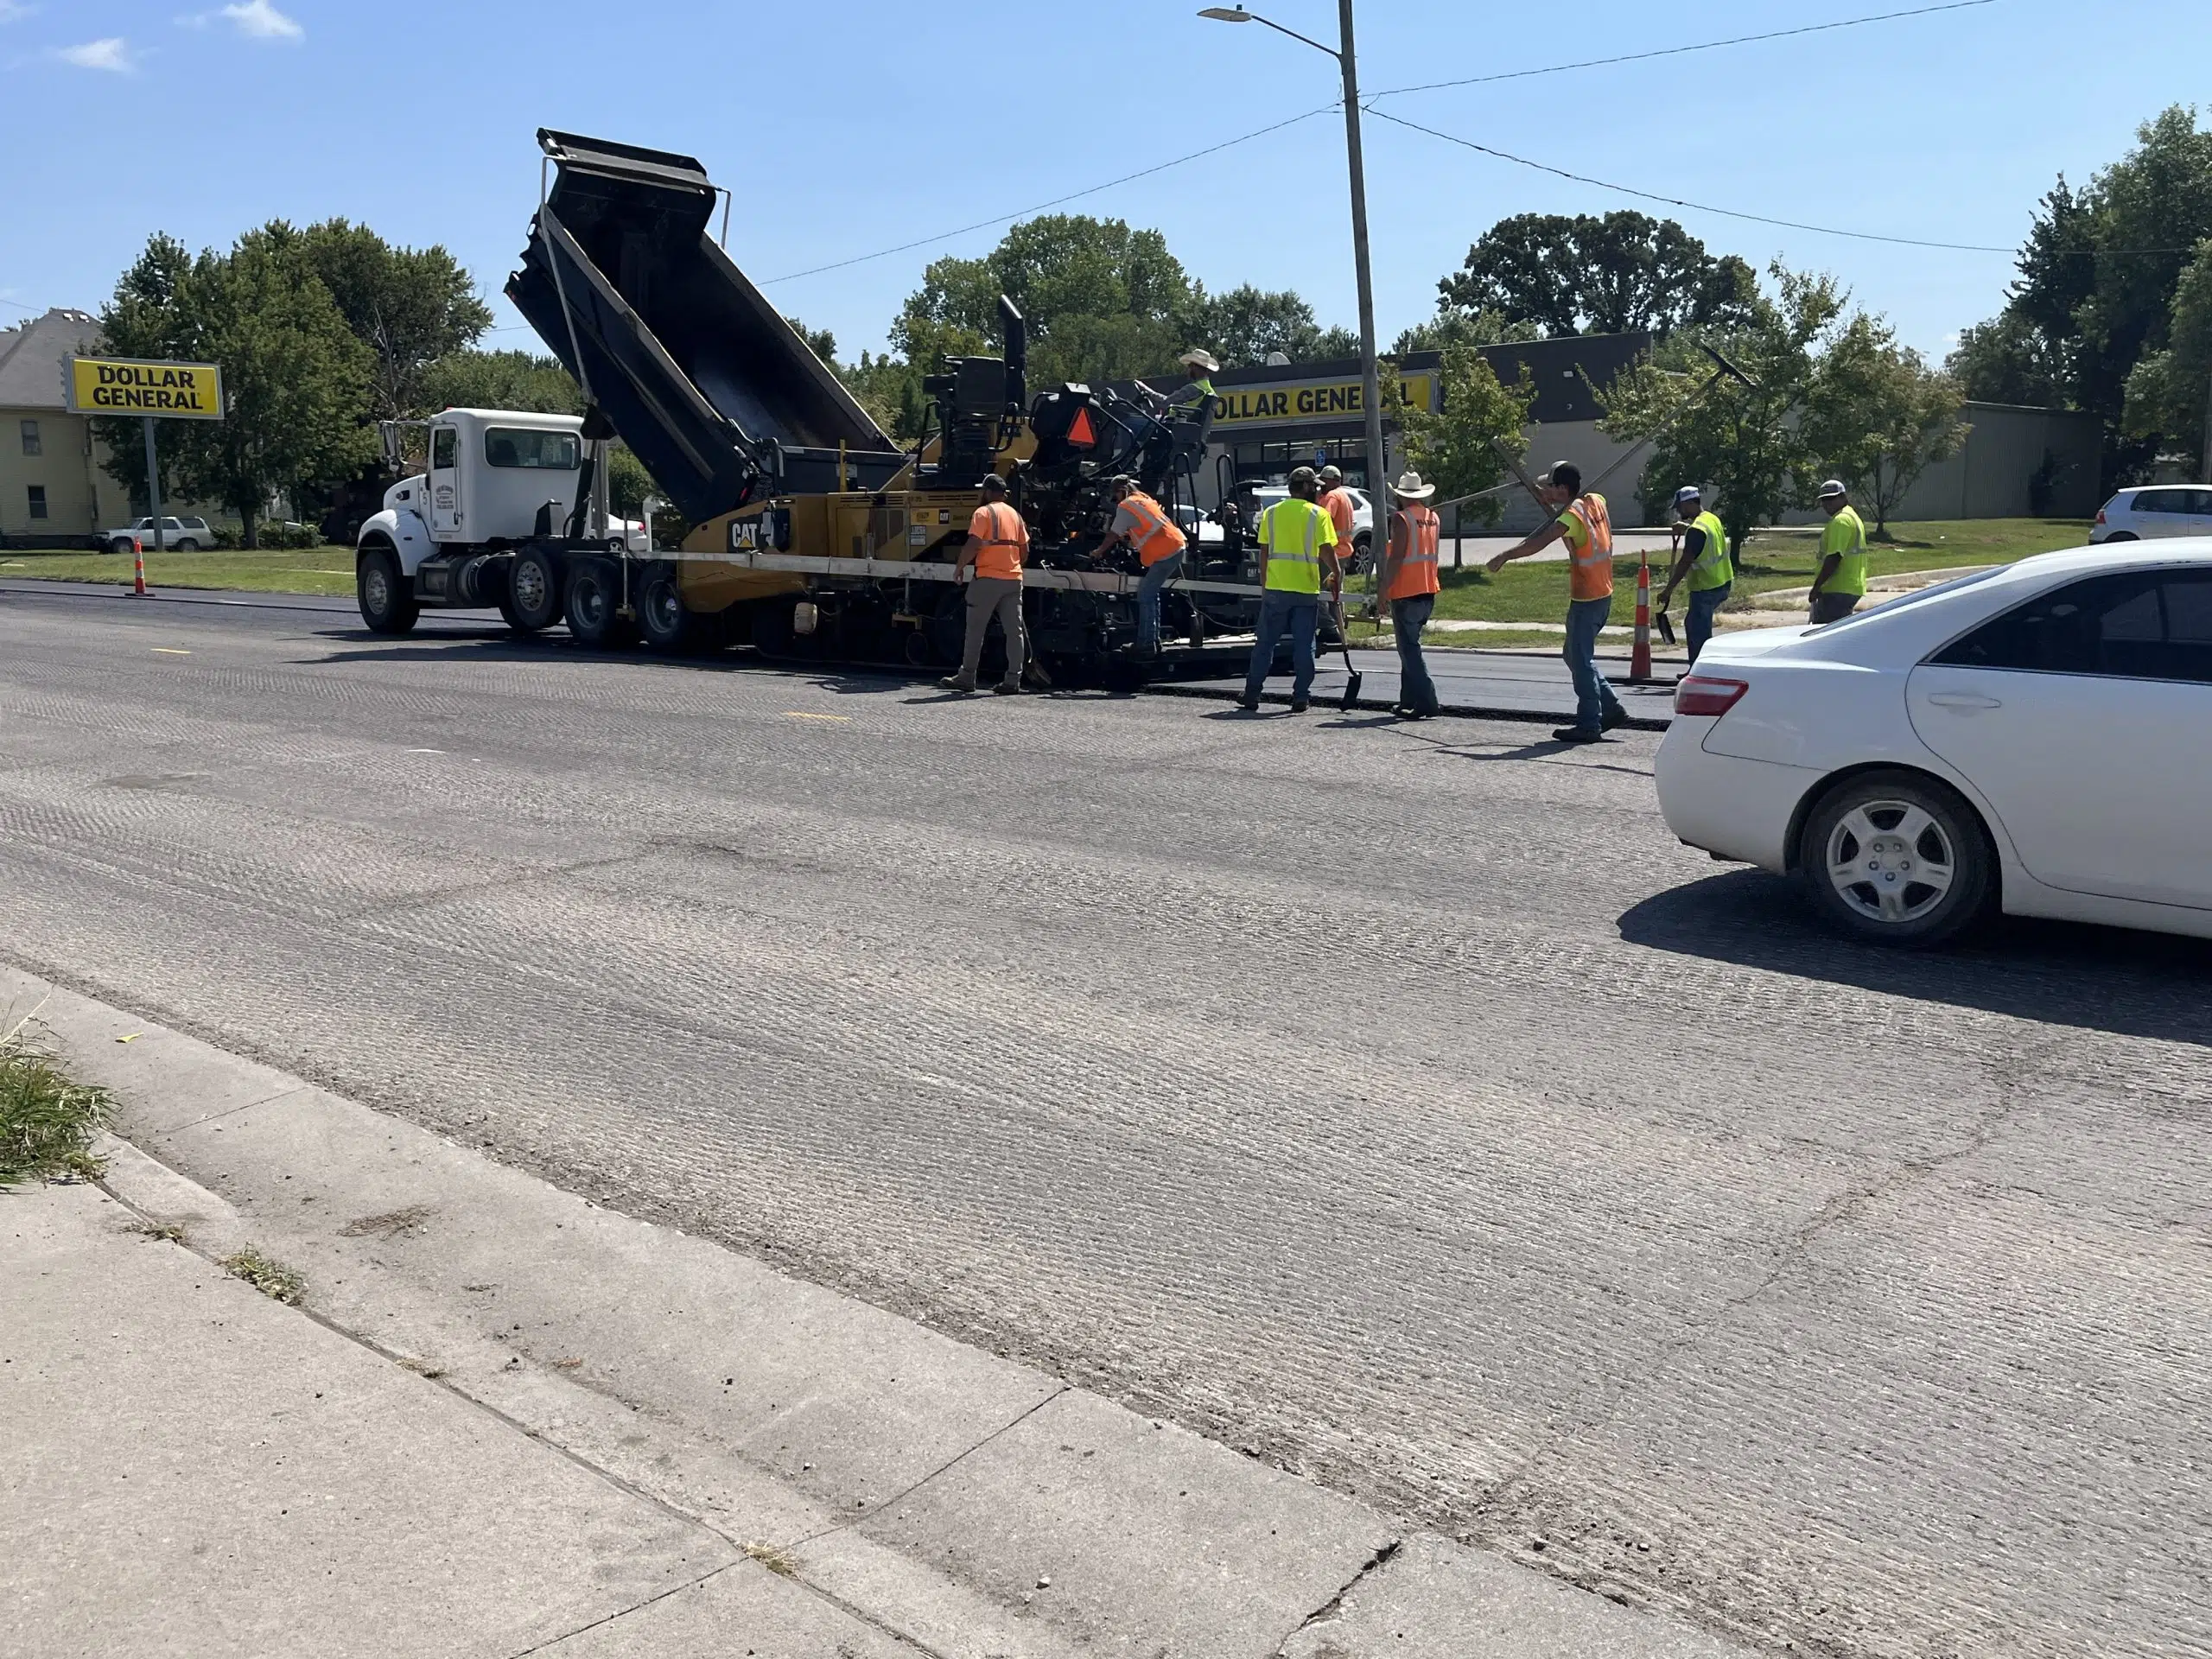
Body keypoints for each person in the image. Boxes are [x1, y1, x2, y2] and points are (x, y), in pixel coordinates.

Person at [1487, 461, 1628, 744]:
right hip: (1603, 593)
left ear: (1563, 489)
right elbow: (1568, 506)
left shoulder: (1572, 517)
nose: (1548, 490)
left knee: (1581, 660)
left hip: (1587, 598)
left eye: (1552, 486)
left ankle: (1590, 723)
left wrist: (1504, 556)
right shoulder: (1596, 501)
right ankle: (1611, 708)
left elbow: (1538, 542)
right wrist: (1545, 494)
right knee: (1574, 656)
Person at [1239, 465, 1340, 714]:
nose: (1318, 491)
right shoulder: (1318, 515)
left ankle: (1252, 694)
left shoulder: (1271, 514)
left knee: (1265, 644)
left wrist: (1265, 584)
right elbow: (1326, 550)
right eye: (1315, 487)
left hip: (1276, 589)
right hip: (1305, 590)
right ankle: (1301, 698)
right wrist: (1337, 573)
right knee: (1305, 645)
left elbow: (1264, 552)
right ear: (1305, 488)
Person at [940, 474, 1029, 696]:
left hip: (988, 579)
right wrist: (1013, 565)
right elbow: (1025, 550)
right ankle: (1012, 680)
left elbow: (973, 543)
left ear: (988, 492)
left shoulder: (983, 512)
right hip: (1013, 580)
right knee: (1013, 631)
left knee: (975, 630)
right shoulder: (1016, 515)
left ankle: (967, 677)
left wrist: (960, 567)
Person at [1089, 474, 1188, 657]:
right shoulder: (1143, 499)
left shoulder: (1126, 506)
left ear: (1122, 491)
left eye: (1115, 495)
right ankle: (1153, 640)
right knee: (1151, 594)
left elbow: (1113, 534)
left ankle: (1146, 643)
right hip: (1175, 546)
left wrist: (1098, 551)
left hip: (1166, 551)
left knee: (1145, 594)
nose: (1115, 499)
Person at [1378, 470, 1442, 720]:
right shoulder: (1432, 517)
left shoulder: (1401, 518)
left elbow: (1396, 558)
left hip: (1406, 591)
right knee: (1410, 648)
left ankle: (1427, 700)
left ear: (1400, 496)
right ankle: (1408, 700)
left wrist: (1383, 589)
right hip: (1428, 588)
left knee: (1409, 651)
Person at [1654, 485, 1732, 664]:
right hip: (1723, 582)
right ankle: (1704, 668)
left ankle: (1699, 672)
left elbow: (1684, 563)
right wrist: (1687, 528)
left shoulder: (1696, 530)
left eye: (1680, 507)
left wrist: (1668, 591)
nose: (1678, 511)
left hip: (1706, 588)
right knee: (1697, 627)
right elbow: (1703, 537)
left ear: (1689, 504)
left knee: (1697, 631)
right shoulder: (1711, 519)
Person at [1807, 480, 1868, 624]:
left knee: (1825, 636)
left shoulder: (1841, 521)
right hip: (1849, 587)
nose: (1827, 503)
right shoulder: (1852, 516)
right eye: (1824, 499)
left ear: (1843, 497)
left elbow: (1834, 557)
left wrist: (1816, 587)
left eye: (1832, 498)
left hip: (1837, 588)